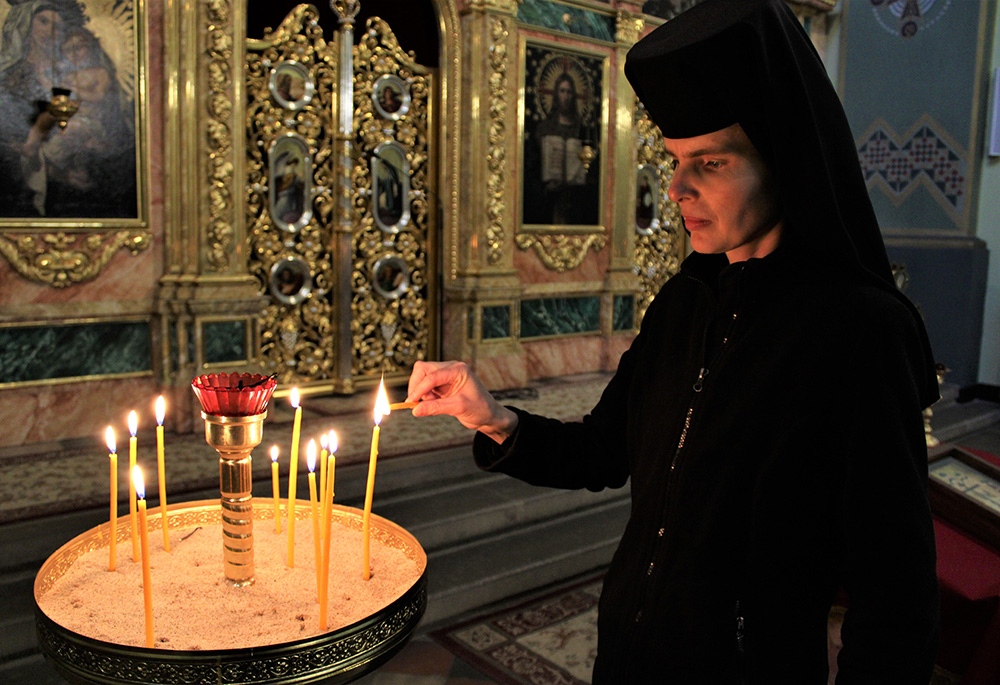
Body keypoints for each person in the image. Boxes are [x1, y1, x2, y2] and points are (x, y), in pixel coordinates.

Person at [405, 0, 940, 682]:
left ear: (784, 158)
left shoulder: (861, 333)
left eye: (710, 162)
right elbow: (603, 449)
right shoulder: (687, 300)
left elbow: (896, 602)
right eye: (675, 159)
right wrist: (492, 416)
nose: (678, 187)